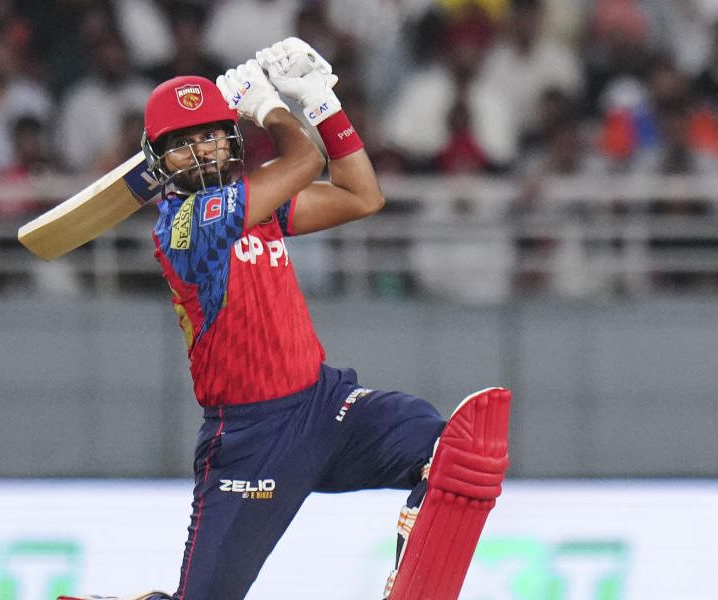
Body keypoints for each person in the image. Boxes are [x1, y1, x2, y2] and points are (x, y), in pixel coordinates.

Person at [60, 38, 511, 600]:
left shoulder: (258, 203)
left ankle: (410, 583)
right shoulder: (184, 226)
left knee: (445, 449)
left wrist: (322, 103)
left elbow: (362, 195)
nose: (200, 153)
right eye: (182, 145)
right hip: (251, 439)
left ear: (229, 140)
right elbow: (306, 161)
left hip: (326, 408)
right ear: (157, 163)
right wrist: (271, 108)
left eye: (209, 137)